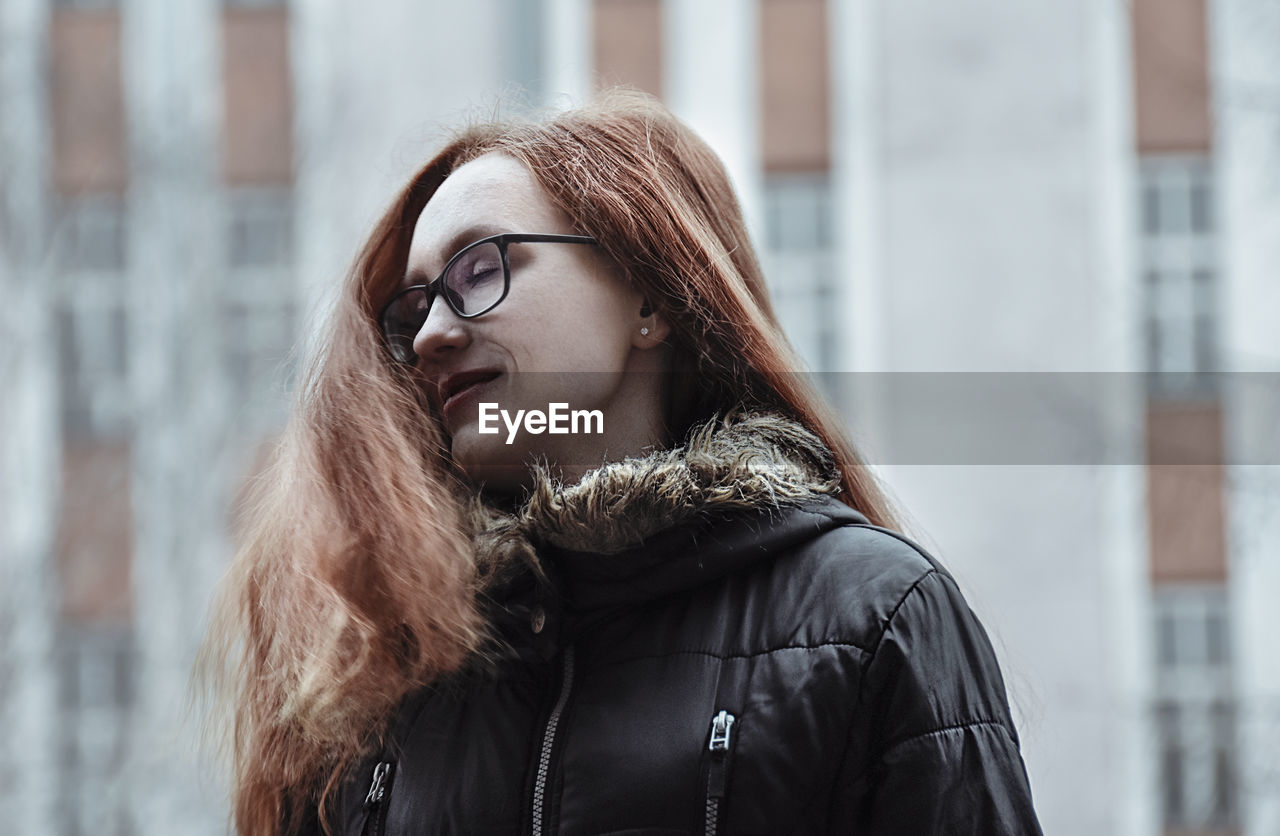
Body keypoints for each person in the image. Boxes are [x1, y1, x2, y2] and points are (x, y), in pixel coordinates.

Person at [201, 91, 1042, 835]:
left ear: (647, 298)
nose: (430, 336)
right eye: (413, 308)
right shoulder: (385, 669)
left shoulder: (870, 616)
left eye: (481, 268)